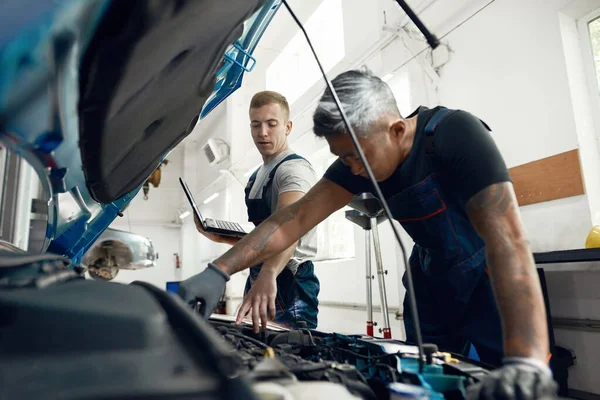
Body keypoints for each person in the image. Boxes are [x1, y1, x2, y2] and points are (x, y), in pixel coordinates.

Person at [178, 70, 557, 399]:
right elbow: (292, 219)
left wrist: (528, 359)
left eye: (357, 157)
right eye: (343, 158)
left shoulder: (455, 135)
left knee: (510, 385)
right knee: (422, 381)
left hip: (490, 279)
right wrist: (219, 270)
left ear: (395, 130)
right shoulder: (357, 155)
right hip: (429, 282)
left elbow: (507, 241)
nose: (353, 170)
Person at [181, 90, 320, 332]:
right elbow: (264, 235)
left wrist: (269, 272)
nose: (262, 132)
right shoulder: (256, 177)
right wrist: (221, 237)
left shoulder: (294, 171)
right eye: (256, 125)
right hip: (262, 274)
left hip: (288, 280)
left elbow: (290, 227)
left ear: (287, 127)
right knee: (254, 350)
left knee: (291, 355)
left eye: (271, 124)